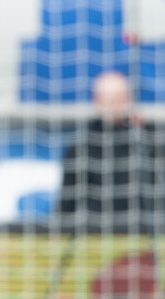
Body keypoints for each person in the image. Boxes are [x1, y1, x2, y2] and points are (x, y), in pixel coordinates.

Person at [56, 70, 164, 235]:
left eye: (119, 98)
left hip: (146, 231)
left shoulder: (150, 138)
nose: (113, 105)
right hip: (97, 233)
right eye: (108, 99)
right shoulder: (83, 144)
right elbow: (67, 201)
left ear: (129, 98)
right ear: (97, 101)